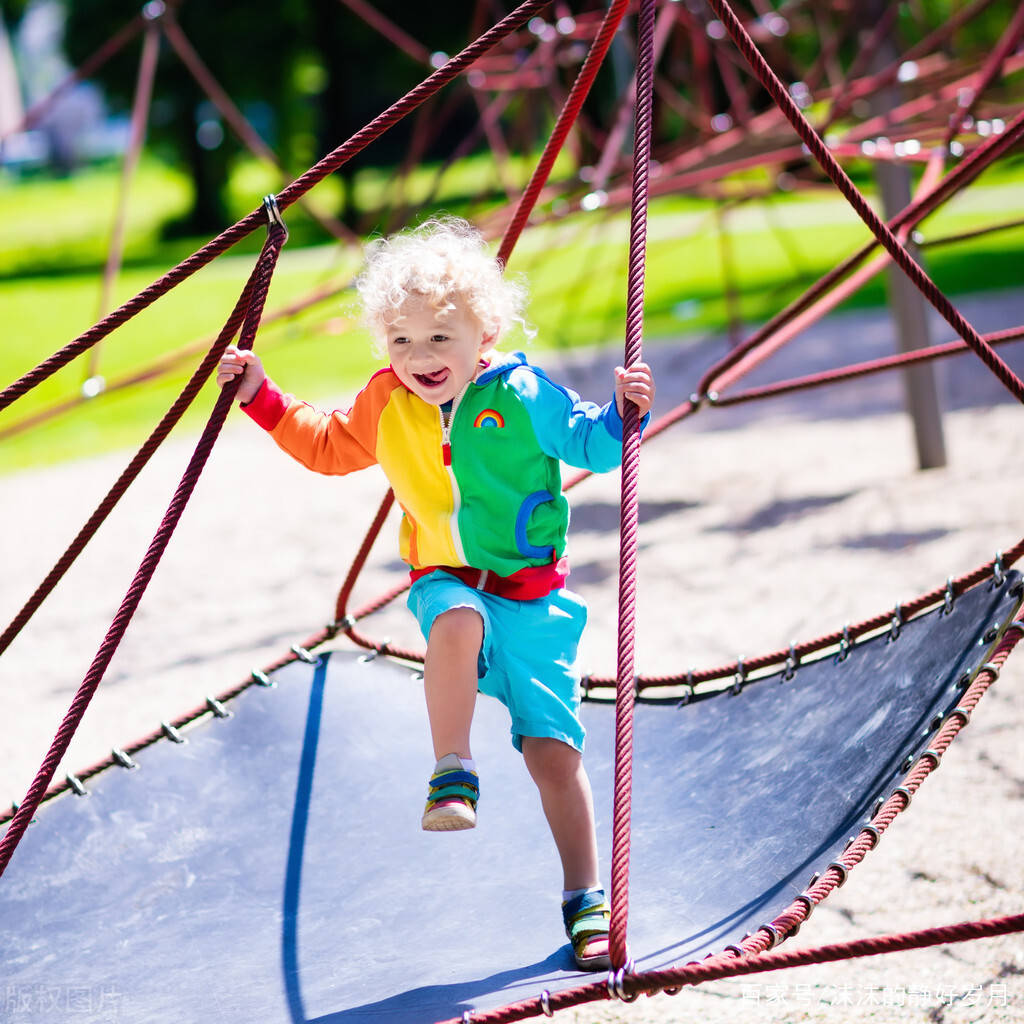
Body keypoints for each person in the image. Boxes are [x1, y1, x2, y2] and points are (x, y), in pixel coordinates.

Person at [217, 216, 655, 971]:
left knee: (555, 755)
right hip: (445, 576)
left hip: (535, 599)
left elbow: (595, 443)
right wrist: (261, 397)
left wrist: (625, 410)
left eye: (439, 339)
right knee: (453, 616)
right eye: (401, 341)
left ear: (483, 332)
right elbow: (326, 446)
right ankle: (453, 768)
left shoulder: (519, 394)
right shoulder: (388, 403)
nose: (419, 358)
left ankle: (585, 897)